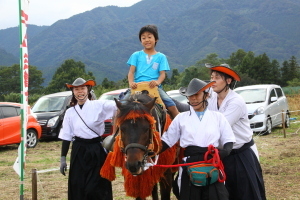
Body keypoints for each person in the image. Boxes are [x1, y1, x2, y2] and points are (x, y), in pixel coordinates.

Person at [160, 78, 236, 200]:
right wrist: (151, 153)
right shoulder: (181, 118)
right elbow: (167, 141)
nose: (193, 99)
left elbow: (228, 139)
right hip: (190, 163)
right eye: (190, 96)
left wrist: (225, 152)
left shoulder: (218, 117)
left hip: (211, 161)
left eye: (196, 95)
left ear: (206, 95)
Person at [206, 63, 266, 200]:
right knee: (224, 193)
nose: (212, 81)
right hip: (222, 154)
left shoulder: (236, 101)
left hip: (241, 154)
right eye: (211, 77)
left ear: (228, 81)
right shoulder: (211, 96)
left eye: (217, 78)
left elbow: (220, 127)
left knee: (245, 193)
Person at [59, 77, 117, 200]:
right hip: (78, 150)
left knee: (96, 187)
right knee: (77, 185)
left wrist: (125, 97)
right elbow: (66, 136)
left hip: (97, 149)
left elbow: (117, 106)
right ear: (73, 92)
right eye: (76, 89)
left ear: (88, 90)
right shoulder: (70, 112)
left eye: (83, 88)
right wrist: (63, 158)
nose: (80, 92)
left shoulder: (99, 105)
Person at [126, 24, 179, 118]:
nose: (147, 40)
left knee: (172, 106)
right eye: (143, 38)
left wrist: (157, 82)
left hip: (154, 87)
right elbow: (131, 72)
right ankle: (116, 132)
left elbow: (162, 74)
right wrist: (131, 83)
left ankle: (179, 127)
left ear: (156, 39)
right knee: (120, 107)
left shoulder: (161, 57)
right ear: (141, 41)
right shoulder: (136, 55)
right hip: (137, 86)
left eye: (149, 37)